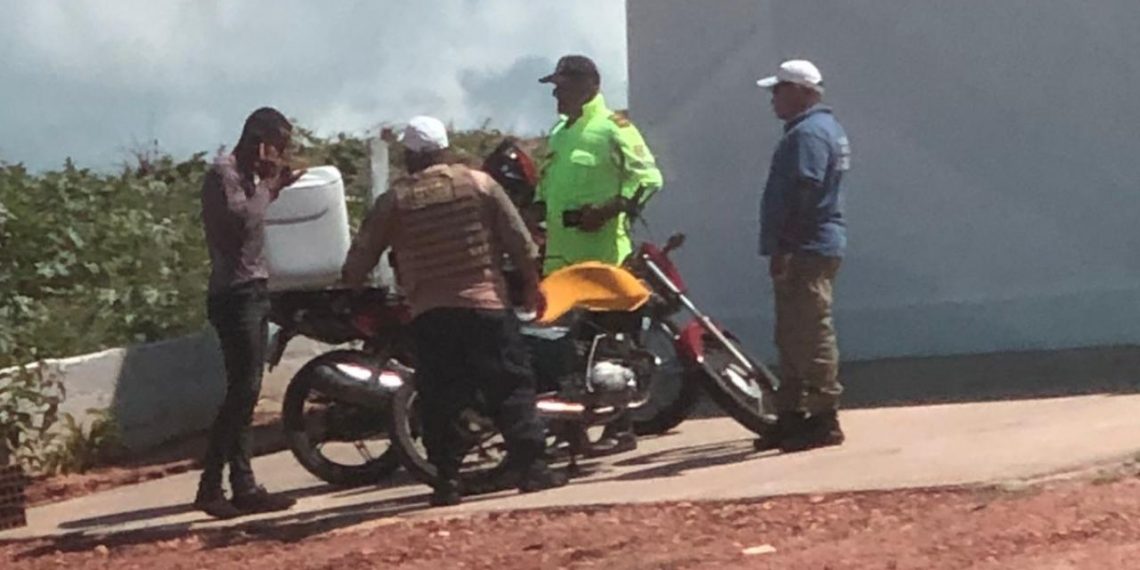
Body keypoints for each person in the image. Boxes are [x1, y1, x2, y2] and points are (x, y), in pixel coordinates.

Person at [342, 116, 567, 507]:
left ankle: (447, 481)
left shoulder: (395, 200)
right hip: (486, 307)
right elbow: (521, 244)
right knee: (511, 387)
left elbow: (360, 259)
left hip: (431, 314)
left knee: (440, 399)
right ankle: (532, 470)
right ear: (444, 150)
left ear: (410, 157)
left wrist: (353, 289)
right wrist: (532, 285)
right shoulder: (480, 185)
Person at [533, 54, 664, 456]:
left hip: (604, 258)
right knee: (562, 351)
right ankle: (571, 431)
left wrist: (609, 209)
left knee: (612, 345)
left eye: (563, 84)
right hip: (560, 261)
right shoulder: (559, 132)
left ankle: (620, 428)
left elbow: (648, 178)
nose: (556, 92)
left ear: (589, 85)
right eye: (554, 85)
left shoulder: (613, 128)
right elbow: (547, 187)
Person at [196, 107, 303, 519]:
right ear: (260, 142)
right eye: (277, 147)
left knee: (249, 391)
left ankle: (243, 484)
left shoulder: (249, 178)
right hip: (234, 294)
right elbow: (242, 219)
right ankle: (210, 486)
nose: (278, 156)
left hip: (253, 291)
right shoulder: (223, 174)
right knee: (241, 391)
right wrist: (272, 185)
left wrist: (272, 184)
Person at [754, 60, 852, 453]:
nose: (773, 99)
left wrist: (784, 246)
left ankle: (823, 418)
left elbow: (804, 190)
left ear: (800, 90)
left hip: (806, 248)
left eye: (778, 90)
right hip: (808, 246)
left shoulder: (809, 135)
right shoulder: (816, 130)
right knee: (791, 334)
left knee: (810, 333)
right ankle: (792, 416)